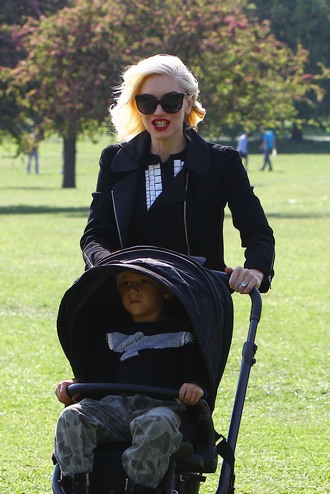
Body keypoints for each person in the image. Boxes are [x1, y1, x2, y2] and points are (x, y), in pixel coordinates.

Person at [80, 54, 274, 294]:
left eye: (171, 101)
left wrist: (255, 271)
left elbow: (258, 231)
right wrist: (109, 266)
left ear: (189, 103)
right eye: (148, 103)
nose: (159, 112)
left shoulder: (222, 162)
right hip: (130, 303)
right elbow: (95, 236)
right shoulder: (114, 161)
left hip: (199, 302)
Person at [54, 269, 208, 493]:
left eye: (142, 282)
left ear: (165, 291)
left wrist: (196, 386)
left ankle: (140, 488)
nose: (132, 290)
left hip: (161, 408)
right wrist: (73, 385)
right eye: (125, 284)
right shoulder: (110, 336)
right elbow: (94, 379)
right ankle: (77, 486)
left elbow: (200, 377)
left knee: (159, 424)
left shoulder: (184, 335)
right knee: (72, 416)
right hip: (113, 408)